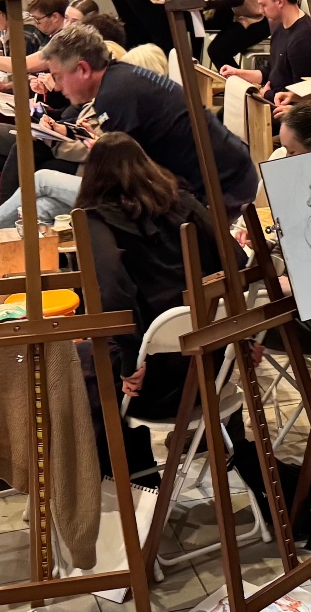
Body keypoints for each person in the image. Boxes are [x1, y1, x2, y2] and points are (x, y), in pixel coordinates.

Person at [77, 132, 233, 441]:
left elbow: (115, 293)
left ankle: (129, 468)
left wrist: (130, 363)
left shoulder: (96, 219)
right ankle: (222, 445)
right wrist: (246, 336)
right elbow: (234, 261)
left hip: (152, 383)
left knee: (77, 358)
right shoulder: (183, 202)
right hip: (215, 370)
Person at [42, 23, 258, 216]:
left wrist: (101, 153)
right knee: (44, 205)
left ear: (83, 69)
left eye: (58, 76)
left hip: (219, 195)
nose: (57, 87)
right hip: (220, 181)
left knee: (45, 184)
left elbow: (130, 181)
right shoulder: (120, 78)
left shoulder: (115, 95)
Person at [219, 0, 311, 101]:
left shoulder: (302, 39)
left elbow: (302, 94)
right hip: (270, 96)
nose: (261, 10)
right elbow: (270, 71)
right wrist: (237, 73)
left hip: (280, 106)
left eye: (264, 5)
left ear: (280, 1)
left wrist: (267, 94)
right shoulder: (281, 27)